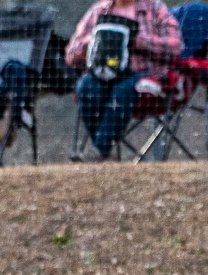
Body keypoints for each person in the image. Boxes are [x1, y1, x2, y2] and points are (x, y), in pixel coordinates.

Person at [65, 0, 183, 159]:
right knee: (86, 87)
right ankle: (103, 151)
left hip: (142, 76)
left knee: (124, 90)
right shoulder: (99, 10)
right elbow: (71, 54)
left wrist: (138, 40)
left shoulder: (155, 8)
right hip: (102, 75)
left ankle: (99, 150)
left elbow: (176, 46)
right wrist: (95, 40)